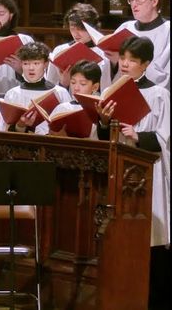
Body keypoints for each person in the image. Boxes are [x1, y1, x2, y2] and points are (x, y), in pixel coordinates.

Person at [94, 36, 170, 309]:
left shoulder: (160, 94)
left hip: (150, 172)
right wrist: (104, 121)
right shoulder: (110, 91)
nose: (125, 64)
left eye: (132, 60)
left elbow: (166, 137)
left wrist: (139, 135)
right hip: (119, 168)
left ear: (146, 64)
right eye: (123, 58)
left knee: (151, 239)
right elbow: (104, 136)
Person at [105, 0, 169, 89]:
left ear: (154, 1)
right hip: (122, 91)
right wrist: (115, 62)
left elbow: (164, 75)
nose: (134, 5)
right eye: (131, 0)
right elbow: (109, 70)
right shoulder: (125, 27)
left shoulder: (168, 31)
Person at [1, 42, 72, 134]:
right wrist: (21, 125)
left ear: (46, 64)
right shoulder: (12, 94)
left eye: (36, 63)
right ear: (21, 64)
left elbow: (69, 125)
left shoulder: (60, 92)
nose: (31, 68)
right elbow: (5, 130)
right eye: (26, 64)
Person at [45, 3, 111, 90]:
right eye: (72, 28)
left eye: (81, 29)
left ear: (92, 28)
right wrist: (63, 84)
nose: (76, 34)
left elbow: (106, 88)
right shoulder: (60, 50)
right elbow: (50, 86)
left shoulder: (103, 53)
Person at [47, 60, 100, 139]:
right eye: (73, 82)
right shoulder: (62, 108)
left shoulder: (99, 110)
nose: (76, 88)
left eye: (82, 84)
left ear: (95, 87)